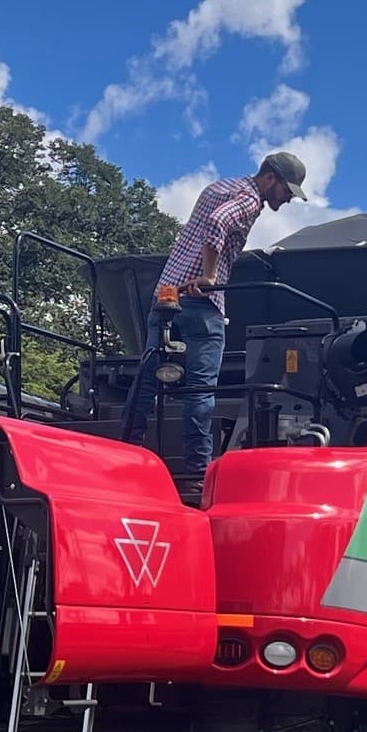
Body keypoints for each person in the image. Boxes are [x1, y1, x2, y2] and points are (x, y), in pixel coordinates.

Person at [123, 151, 305, 498]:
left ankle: (129, 447)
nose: (287, 199)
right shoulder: (250, 200)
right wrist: (208, 276)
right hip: (201, 301)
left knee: (148, 376)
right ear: (271, 179)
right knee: (201, 388)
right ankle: (196, 474)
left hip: (167, 294)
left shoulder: (222, 185)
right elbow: (218, 223)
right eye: (286, 191)